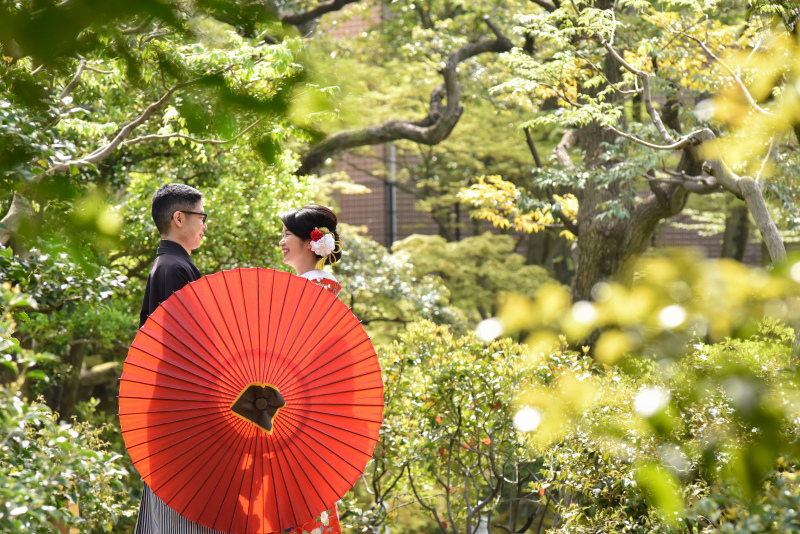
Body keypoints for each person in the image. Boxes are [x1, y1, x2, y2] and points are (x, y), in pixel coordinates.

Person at [134, 183, 221, 534]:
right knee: (187, 511)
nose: (205, 225)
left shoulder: (169, 265)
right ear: (179, 218)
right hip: (183, 410)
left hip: (170, 407)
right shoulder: (174, 268)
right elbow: (188, 348)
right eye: (202, 216)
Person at [277, 205, 344, 534]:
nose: (281, 242)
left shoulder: (310, 288)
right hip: (310, 402)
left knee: (291, 490)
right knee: (307, 490)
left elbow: (297, 350)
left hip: (295, 401)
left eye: (287, 234)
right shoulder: (321, 285)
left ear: (310, 241)